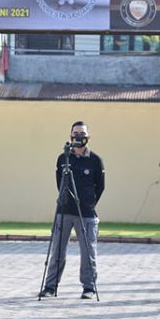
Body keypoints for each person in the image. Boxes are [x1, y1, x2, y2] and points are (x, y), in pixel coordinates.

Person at [40, 121, 104, 300]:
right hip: (64, 211)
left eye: (82, 134)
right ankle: (50, 286)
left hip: (87, 214)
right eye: (75, 133)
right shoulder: (63, 158)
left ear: (88, 137)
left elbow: (100, 186)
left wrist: (89, 203)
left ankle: (89, 288)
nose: (79, 137)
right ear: (70, 136)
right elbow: (59, 182)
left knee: (88, 253)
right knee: (58, 251)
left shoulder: (95, 160)